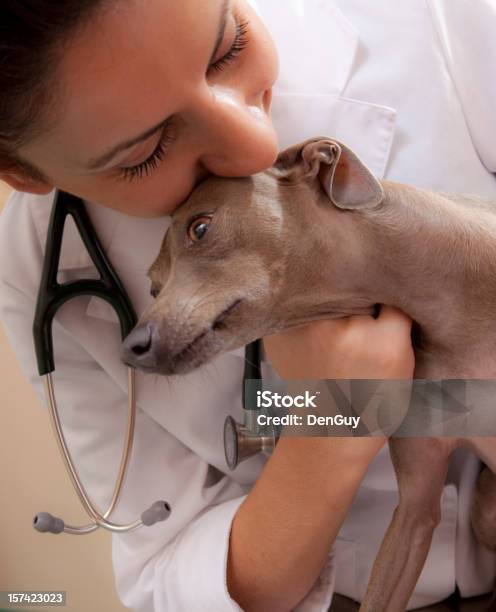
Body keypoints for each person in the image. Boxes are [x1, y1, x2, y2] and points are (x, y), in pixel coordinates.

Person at [0, 1, 494, 611]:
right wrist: (332, 423)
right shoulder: (37, 271)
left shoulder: (438, 19)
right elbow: (165, 583)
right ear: (19, 171)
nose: (255, 143)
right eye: (145, 154)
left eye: (229, 47)